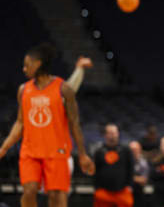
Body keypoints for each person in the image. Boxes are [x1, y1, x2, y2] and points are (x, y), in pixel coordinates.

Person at [0, 43, 95, 207]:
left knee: (56, 197)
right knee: (29, 191)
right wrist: (4, 148)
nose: (23, 69)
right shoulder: (23, 90)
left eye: (27, 65)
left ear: (38, 64)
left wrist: (82, 154)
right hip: (30, 152)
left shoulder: (63, 89)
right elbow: (20, 122)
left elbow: (74, 124)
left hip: (56, 152)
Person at [93, 124, 134, 207]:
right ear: (105, 135)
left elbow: (131, 169)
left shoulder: (126, 150)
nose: (112, 135)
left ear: (118, 134)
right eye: (110, 133)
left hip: (122, 192)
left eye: (114, 133)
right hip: (103, 192)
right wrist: (96, 187)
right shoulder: (99, 152)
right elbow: (95, 170)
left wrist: (129, 185)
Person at [129, 141, 149, 207]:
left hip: (138, 194)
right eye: (131, 150)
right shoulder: (124, 162)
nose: (133, 151)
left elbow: (143, 180)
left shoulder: (143, 163)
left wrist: (130, 177)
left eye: (135, 149)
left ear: (139, 150)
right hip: (125, 193)